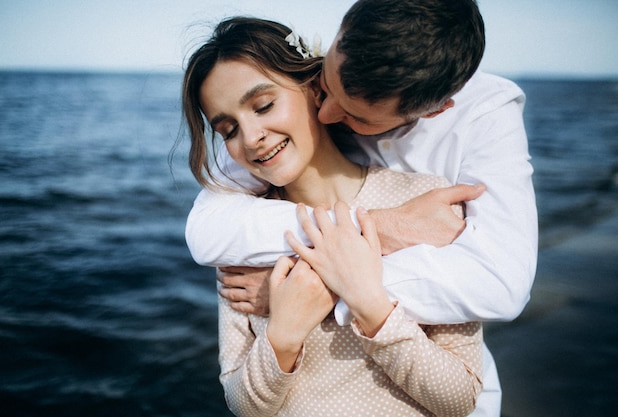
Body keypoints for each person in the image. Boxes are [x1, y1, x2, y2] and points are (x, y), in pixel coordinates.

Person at [185, 0, 538, 415]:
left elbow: (500, 286)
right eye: (328, 83)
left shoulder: (442, 182)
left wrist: (326, 285)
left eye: (356, 114)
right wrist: (378, 229)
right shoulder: (253, 208)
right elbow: (206, 231)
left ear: (435, 109)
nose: (327, 109)